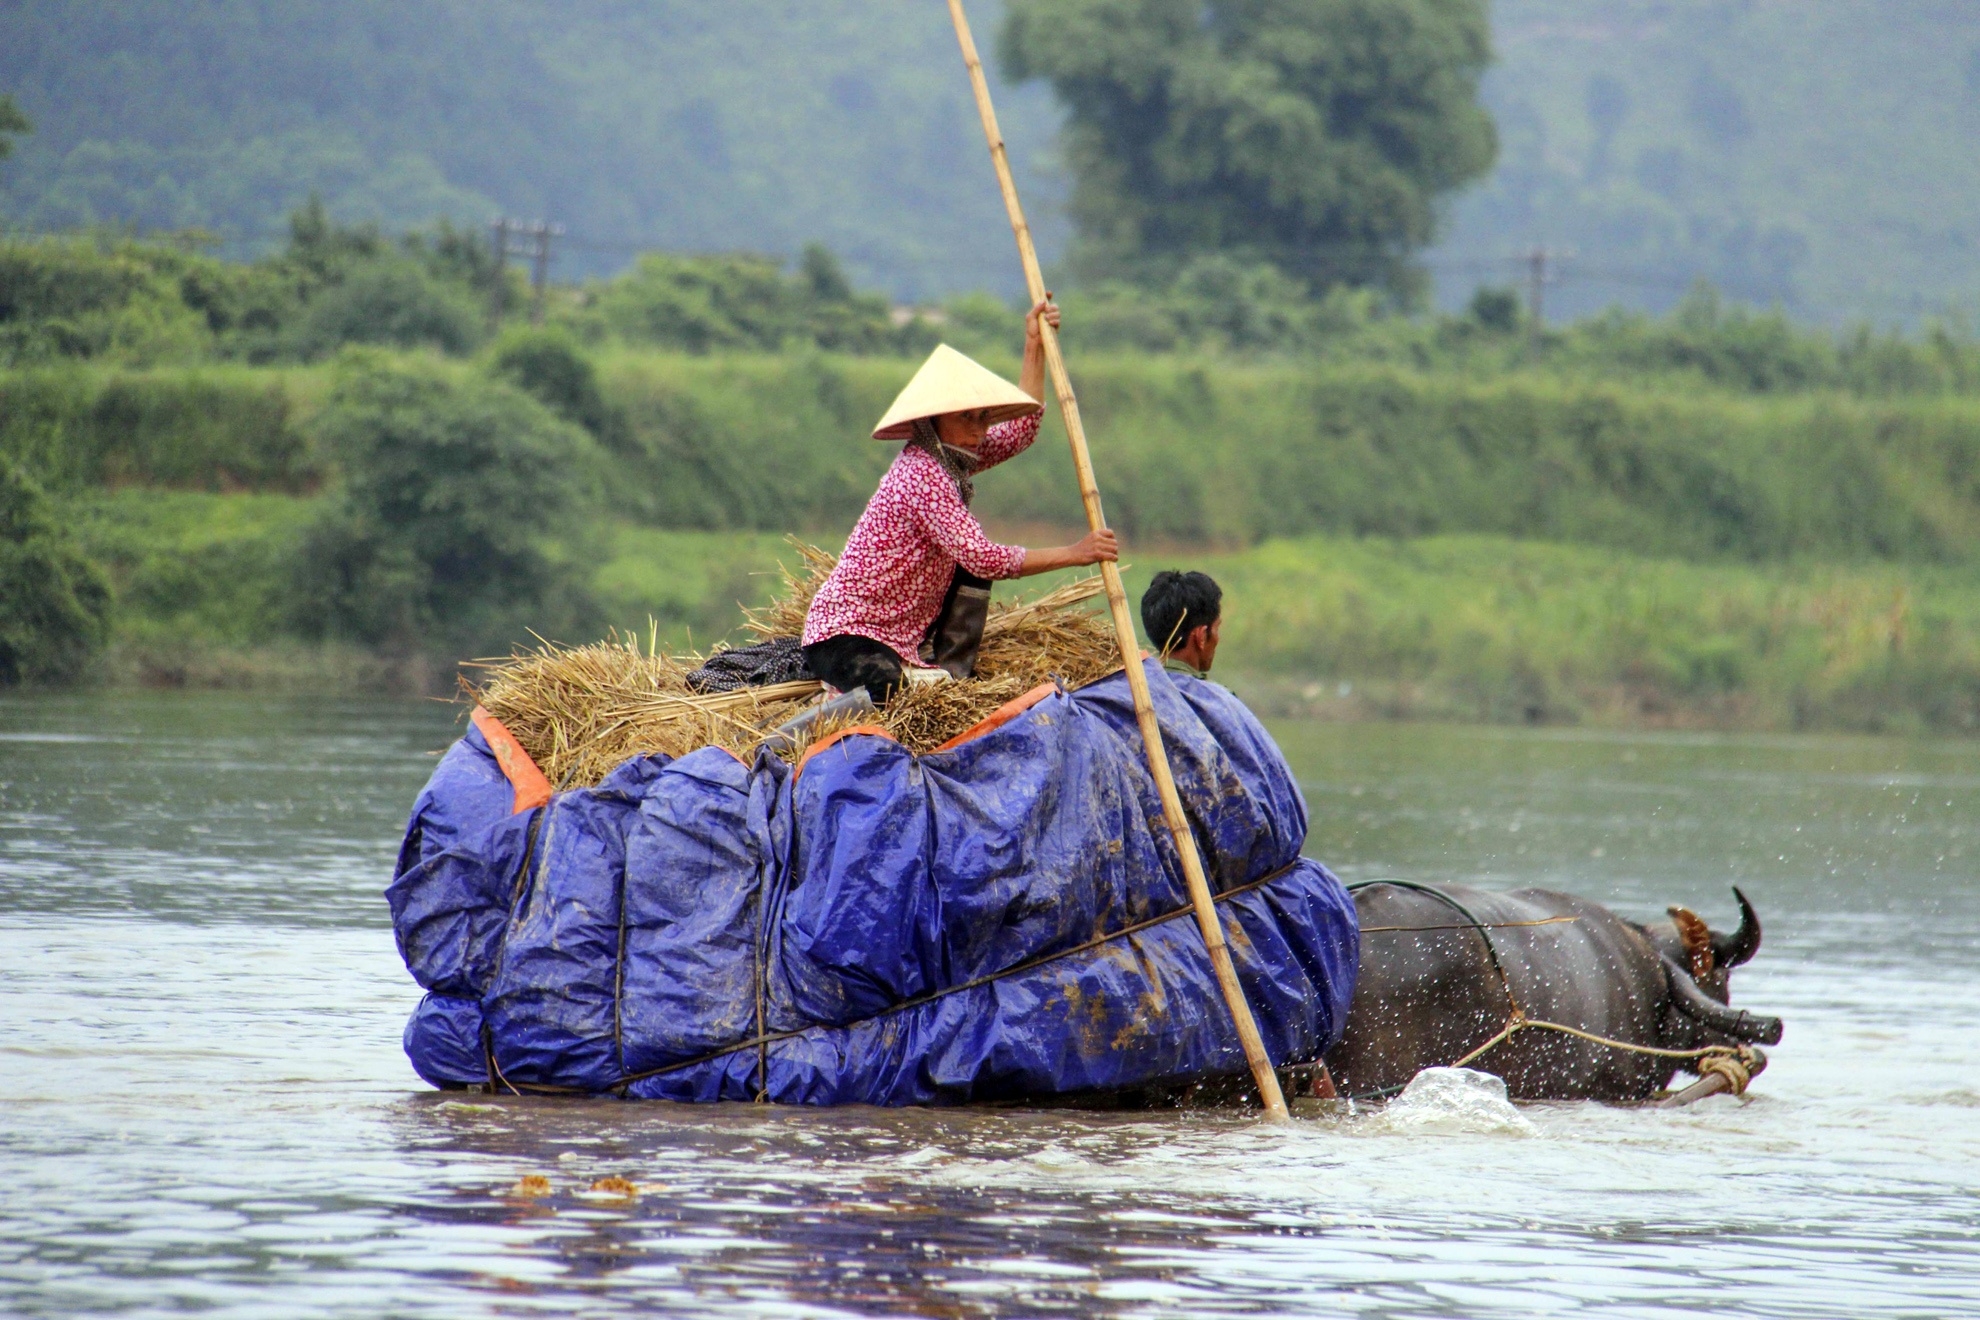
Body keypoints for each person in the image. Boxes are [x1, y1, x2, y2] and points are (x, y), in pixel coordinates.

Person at [802, 297, 1119, 701]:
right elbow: (986, 558)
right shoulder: (923, 474)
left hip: (900, 632)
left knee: (967, 572)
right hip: (847, 631)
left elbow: (1020, 432)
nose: (978, 430)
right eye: (965, 418)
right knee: (891, 692)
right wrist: (1076, 553)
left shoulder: (952, 457)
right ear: (933, 421)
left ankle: (949, 667)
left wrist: (1034, 346)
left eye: (983, 417)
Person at [1141, 570, 1222, 680]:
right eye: (1216, 628)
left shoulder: (1128, 688)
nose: (1218, 638)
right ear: (1201, 636)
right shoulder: (1213, 696)